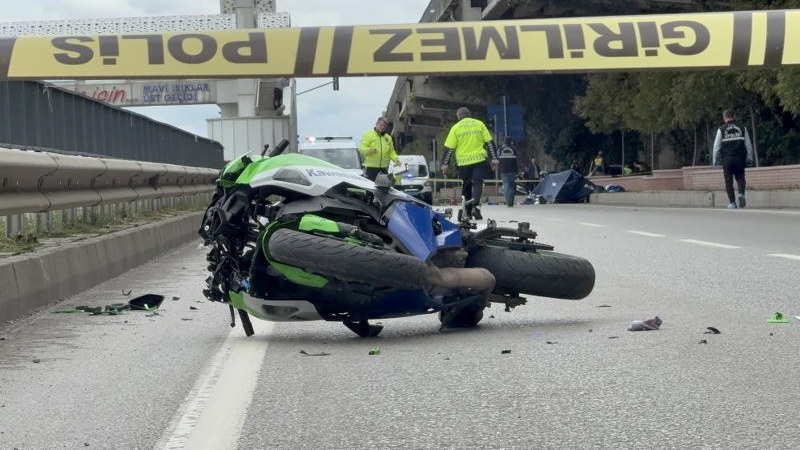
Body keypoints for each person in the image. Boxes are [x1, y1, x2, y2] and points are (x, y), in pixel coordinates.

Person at [440, 107, 499, 220]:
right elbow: (489, 142)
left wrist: (445, 164)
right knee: (478, 184)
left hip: (463, 163)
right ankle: (476, 208)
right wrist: (494, 159)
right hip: (479, 160)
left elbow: (449, 149)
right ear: (469, 114)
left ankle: (466, 210)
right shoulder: (479, 124)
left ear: (458, 117)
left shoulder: (455, 128)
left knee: (466, 186)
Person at [712, 109, 754, 209]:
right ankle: (741, 194)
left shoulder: (721, 129)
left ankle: (732, 203)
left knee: (728, 181)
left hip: (727, 159)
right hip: (740, 158)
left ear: (724, 118)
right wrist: (750, 157)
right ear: (733, 116)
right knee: (740, 177)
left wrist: (715, 159)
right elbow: (748, 144)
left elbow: (716, 146)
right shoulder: (742, 128)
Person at [359, 116, 401, 181]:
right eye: (381, 125)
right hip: (371, 169)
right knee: (371, 189)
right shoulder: (367, 135)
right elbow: (361, 148)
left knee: (383, 189)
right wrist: (369, 150)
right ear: (376, 124)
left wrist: (396, 160)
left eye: (384, 126)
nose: (382, 127)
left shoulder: (388, 138)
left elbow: (391, 152)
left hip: (383, 169)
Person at [498, 137, 518, 207]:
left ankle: (508, 202)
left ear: (504, 142)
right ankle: (511, 202)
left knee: (506, 185)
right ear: (510, 142)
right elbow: (517, 160)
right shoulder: (514, 149)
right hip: (512, 170)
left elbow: (497, 159)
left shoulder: (500, 150)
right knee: (512, 186)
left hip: (503, 170)